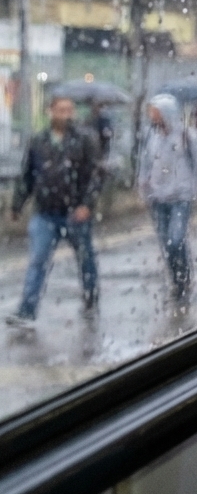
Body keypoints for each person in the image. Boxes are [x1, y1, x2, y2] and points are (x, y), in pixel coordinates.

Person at [7, 96, 103, 327]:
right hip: (45, 212)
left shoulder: (84, 139)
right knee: (38, 261)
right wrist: (17, 205)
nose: (66, 114)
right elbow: (28, 174)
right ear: (50, 111)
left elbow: (95, 175)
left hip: (75, 212)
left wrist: (86, 205)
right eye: (61, 110)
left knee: (85, 258)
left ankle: (91, 297)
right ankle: (27, 311)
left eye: (69, 110)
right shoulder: (39, 140)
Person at [138, 94, 197, 303]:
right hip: (158, 199)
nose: (152, 116)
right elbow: (145, 163)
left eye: (155, 111)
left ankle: (185, 275)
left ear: (166, 112)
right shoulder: (151, 135)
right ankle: (177, 281)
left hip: (181, 196)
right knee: (166, 244)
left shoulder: (188, 136)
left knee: (176, 239)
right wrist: (142, 188)